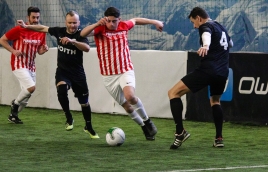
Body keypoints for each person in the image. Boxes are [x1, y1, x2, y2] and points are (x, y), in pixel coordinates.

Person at [80, 7, 163, 140]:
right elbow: (83, 34)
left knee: (130, 96)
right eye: (109, 21)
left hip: (125, 70)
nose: (112, 24)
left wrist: (154, 22)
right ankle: (144, 127)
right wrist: (97, 24)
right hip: (108, 76)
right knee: (127, 106)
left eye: (114, 21)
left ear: (119, 19)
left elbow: (135, 20)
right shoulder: (100, 29)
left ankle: (147, 121)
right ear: (105, 19)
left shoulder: (124, 25)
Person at [17, 11, 99, 138]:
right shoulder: (59, 32)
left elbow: (87, 48)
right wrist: (26, 26)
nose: (72, 25)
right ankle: (69, 117)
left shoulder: (81, 34)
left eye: (75, 22)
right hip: (62, 72)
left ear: (79, 23)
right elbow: (43, 28)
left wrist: (73, 42)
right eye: (70, 23)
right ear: (66, 23)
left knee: (84, 103)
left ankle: (88, 126)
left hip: (78, 74)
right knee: (61, 90)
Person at [168, 7, 233, 149]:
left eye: (193, 22)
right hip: (222, 72)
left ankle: (180, 132)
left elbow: (206, 35)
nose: (194, 26)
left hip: (208, 70)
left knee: (173, 93)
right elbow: (231, 43)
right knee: (215, 101)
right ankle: (219, 138)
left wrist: (206, 45)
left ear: (198, 18)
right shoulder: (221, 27)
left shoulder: (205, 26)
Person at [0, 6, 48, 124]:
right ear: (28, 17)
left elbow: (39, 51)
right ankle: (14, 104)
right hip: (18, 64)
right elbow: (2, 40)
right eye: (33, 17)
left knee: (26, 97)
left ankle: (13, 116)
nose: (36, 20)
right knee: (31, 88)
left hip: (31, 66)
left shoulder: (41, 32)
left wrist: (44, 50)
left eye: (37, 17)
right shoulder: (19, 29)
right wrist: (13, 51)